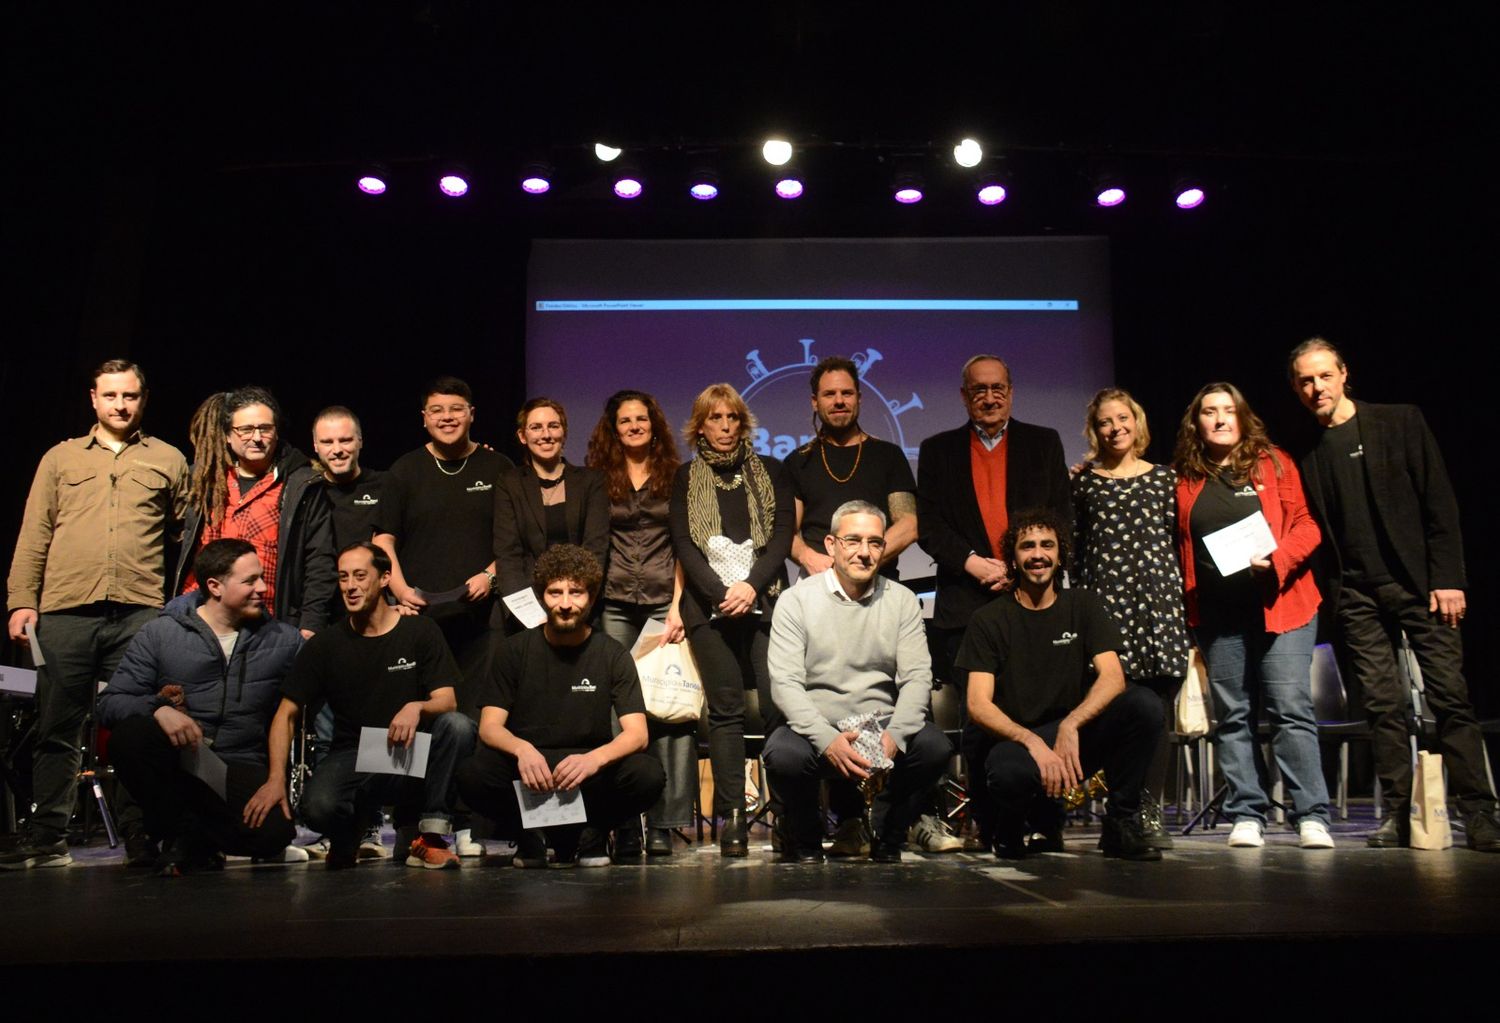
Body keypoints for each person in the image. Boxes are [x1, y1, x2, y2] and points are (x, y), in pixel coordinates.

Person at [1288, 339, 1499, 851]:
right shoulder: (1306, 451)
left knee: (1450, 699)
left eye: (1323, 376)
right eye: (1305, 381)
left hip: (1421, 586)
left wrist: (1448, 578)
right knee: (1383, 706)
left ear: (1344, 374)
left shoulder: (1399, 421)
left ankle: (1479, 814)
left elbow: (1439, 503)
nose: (1316, 388)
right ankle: (1401, 815)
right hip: (1357, 595)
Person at [3, 359, 189, 870]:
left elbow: (186, 537)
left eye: (129, 396)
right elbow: (34, 532)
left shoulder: (169, 459)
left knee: (132, 730)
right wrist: (22, 599)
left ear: (143, 399)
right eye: (110, 396)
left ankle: (138, 837)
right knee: (57, 727)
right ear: (93, 399)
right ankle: (47, 839)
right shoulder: (60, 459)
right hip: (66, 611)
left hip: (138, 613)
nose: (120, 405)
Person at [1174, 382, 1334, 850]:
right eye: (1210, 411)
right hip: (1219, 615)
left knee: (1290, 710)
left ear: (1243, 417)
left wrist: (1279, 560)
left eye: (1229, 410)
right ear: (1196, 422)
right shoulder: (1183, 477)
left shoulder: (1275, 463)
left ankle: (1311, 815)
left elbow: (1306, 525)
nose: (1220, 419)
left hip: (1283, 607)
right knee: (1234, 716)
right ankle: (1247, 812)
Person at [955, 509, 1163, 861]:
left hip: (1072, 736)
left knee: (1143, 705)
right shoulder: (989, 619)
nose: (1038, 554)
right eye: (1027, 546)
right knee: (1008, 774)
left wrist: (1072, 723)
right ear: (1014, 558)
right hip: (1017, 740)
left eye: (1047, 545)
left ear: (1060, 554)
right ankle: (1013, 823)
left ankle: (1122, 822)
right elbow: (977, 704)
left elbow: (1113, 677)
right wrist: (1031, 740)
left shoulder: (1083, 605)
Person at [262, 543, 478, 870]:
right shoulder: (326, 645)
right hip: (357, 753)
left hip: (410, 751)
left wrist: (416, 707)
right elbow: (286, 713)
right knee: (319, 807)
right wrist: (276, 778)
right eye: (343, 577)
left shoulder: (419, 630)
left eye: (360, 576)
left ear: (384, 579)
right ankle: (351, 828)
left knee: (458, 726)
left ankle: (430, 836)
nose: (350, 586)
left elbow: (447, 700)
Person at [94, 540, 303, 874]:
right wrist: (159, 709)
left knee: (272, 834)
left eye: (261, 577)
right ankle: (181, 832)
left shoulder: (284, 640)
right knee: (131, 737)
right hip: (182, 760)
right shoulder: (161, 633)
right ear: (215, 587)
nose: (263, 588)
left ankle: (195, 839)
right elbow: (111, 702)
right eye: (250, 581)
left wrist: (276, 778)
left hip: (238, 762)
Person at [455, 544, 665, 867]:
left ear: (591, 598)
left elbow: (637, 734)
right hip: (529, 772)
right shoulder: (513, 652)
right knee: (471, 774)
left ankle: (591, 836)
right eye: (555, 592)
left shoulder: (612, 655)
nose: (565, 604)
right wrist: (522, 750)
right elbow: (489, 726)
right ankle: (530, 838)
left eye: (576, 593)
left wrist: (594, 759)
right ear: (542, 597)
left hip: (586, 772)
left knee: (648, 774)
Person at [766, 500, 952, 862]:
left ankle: (889, 834)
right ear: (832, 546)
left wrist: (895, 736)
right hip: (818, 726)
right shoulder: (796, 601)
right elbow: (785, 684)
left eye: (875, 543)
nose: (864, 553)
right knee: (784, 754)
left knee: (934, 747)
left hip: (881, 725)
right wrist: (827, 740)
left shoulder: (901, 601)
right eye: (853, 541)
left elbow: (917, 679)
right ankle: (804, 840)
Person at [670, 383, 793, 856]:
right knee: (724, 711)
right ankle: (734, 819)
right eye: (715, 419)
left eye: (732, 419)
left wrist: (749, 587)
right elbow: (684, 543)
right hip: (708, 607)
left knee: (779, 703)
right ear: (700, 425)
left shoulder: (773, 471)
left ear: (743, 424)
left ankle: (787, 812)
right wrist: (722, 595)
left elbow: (782, 536)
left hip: (767, 600)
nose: (724, 427)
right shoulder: (685, 477)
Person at [1071, 388, 1190, 849]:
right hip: (1108, 612)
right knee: (1121, 713)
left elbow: (1179, 545)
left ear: (1137, 423)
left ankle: (1148, 812)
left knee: (1157, 715)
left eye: (1124, 418)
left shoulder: (1167, 479)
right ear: (1094, 429)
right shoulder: (1083, 483)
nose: (1116, 427)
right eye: (1105, 421)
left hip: (1160, 611)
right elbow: (1077, 552)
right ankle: (1119, 813)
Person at [917, 355, 1071, 688]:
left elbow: (1061, 517)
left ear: (1011, 392)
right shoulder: (937, 450)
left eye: (997, 388)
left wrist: (1018, 569)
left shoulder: (1044, 444)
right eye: (979, 390)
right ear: (963, 395)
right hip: (966, 606)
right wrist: (972, 563)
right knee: (976, 719)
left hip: (1035, 600)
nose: (989, 398)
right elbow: (929, 525)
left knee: (1042, 707)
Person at [585, 389, 693, 858]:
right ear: (614, 428)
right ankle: (626, 821)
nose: (634, 426)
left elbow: (686, 544)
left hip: (660, 604)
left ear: (654, 424)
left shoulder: (676, 475)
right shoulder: (597, 477)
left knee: (671, 708)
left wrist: (678, 606)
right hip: (612, 604)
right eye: (625, 420)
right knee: (619, 712)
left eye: (641, 419)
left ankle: (666, 823)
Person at [373, 376, 514, 715]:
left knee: (480, 714)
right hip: (420, 616)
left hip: (483, 620)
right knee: (421, 715)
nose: (447, 417)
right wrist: (400, 589)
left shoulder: (499, 467)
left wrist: (489, 576)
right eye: (437, 410)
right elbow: (382, 540)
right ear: (424, 417)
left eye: (456, 409)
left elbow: (517, 539)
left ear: (472, 414)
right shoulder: (404, 470)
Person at [173, 386, 336, 639]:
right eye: (246, 429)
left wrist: (311, 623)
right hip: (201, 619)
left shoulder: (301, 485)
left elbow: (319, 560)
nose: (257, 437)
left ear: (276, 432)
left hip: (267, 623)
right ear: (228, 435)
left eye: (265, 428)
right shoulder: (205, 479)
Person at [786, 355, 919, 580]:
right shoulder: (798, 461)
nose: (839, 401)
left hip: (878, 582)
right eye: (829, 394)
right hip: (819, 583)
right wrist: (808, 556)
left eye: (846, 393)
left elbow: (909, 524)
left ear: (859, 398)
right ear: (814, 401)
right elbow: (785, 531)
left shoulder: (889, 455)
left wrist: (862, 560)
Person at [493, 397, 609, 630]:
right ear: (523, 436)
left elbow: (596, 546)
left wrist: (574, 601)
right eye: (536, 427)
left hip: (580, 604)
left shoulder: (591, 481)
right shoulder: (509, 483)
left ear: (563, 432)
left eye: (553, 426)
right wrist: (532, 614)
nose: (546, 434)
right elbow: (508, 554)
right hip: (527, 609)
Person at [311, 405, 387, 551]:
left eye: (345, 440)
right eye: (327, 442)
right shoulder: (309, 491)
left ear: (360, 441)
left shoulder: (385, 485)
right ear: (315, 446)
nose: (337, 450)